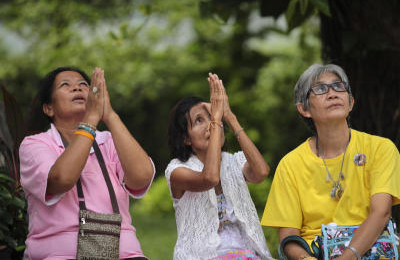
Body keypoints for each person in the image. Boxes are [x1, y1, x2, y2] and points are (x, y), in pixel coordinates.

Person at [261, 64, 400, 260]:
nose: (332, 93)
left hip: (370, 252)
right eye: (320, 89)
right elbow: (288, 237)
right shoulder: (290, 164)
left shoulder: (380, 149)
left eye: (338, 86)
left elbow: (381, 213)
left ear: (350, 102)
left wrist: (348, 256)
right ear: (304, 108)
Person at [19, 67, 155, 259]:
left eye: (83, 85)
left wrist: (109, 114)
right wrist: (91, 118)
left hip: (125, 253)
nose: (77, 89)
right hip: (60, 254)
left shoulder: (109, 141)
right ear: (48, 108)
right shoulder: (35, 144)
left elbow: (141, 177)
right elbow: (62, 179)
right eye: (65, 85)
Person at [165, 73, 274, 260]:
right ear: (185, 138)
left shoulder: (233, 161)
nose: (211, 124)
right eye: (200, 120)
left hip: (246, 254)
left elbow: (261, 172)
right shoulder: (176, 171)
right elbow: (210, 178)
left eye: (212, 117)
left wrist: (229, 116)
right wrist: (216, 118)